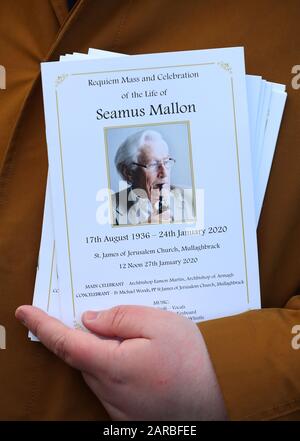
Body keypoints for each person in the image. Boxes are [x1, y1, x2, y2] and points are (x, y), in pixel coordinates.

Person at [1, 0, 300, 421]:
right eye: (151, 163)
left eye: (167, 161)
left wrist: (225, 376)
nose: (163, 171)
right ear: (126, 172)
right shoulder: (116, 208)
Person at [111, 129, 195, 225]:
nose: (164, 173)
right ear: (129, 172)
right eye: (153, 165)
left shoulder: (192, 197)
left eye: (166, 162)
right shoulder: (109, 208)